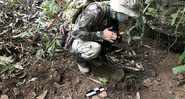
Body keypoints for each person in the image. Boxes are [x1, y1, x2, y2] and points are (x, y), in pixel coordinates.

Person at [61, 0, 140, 74]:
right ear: (120, 11)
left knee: (109, 42)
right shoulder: (94, 12)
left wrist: (115, 34)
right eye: (128, 16)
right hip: (73, 37)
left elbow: (111, 28)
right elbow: (76, 33)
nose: (129, 19)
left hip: (91, 32)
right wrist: (101, 35)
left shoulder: (113, 14)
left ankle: (98, 55)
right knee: (95, 49)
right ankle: (80, 60)